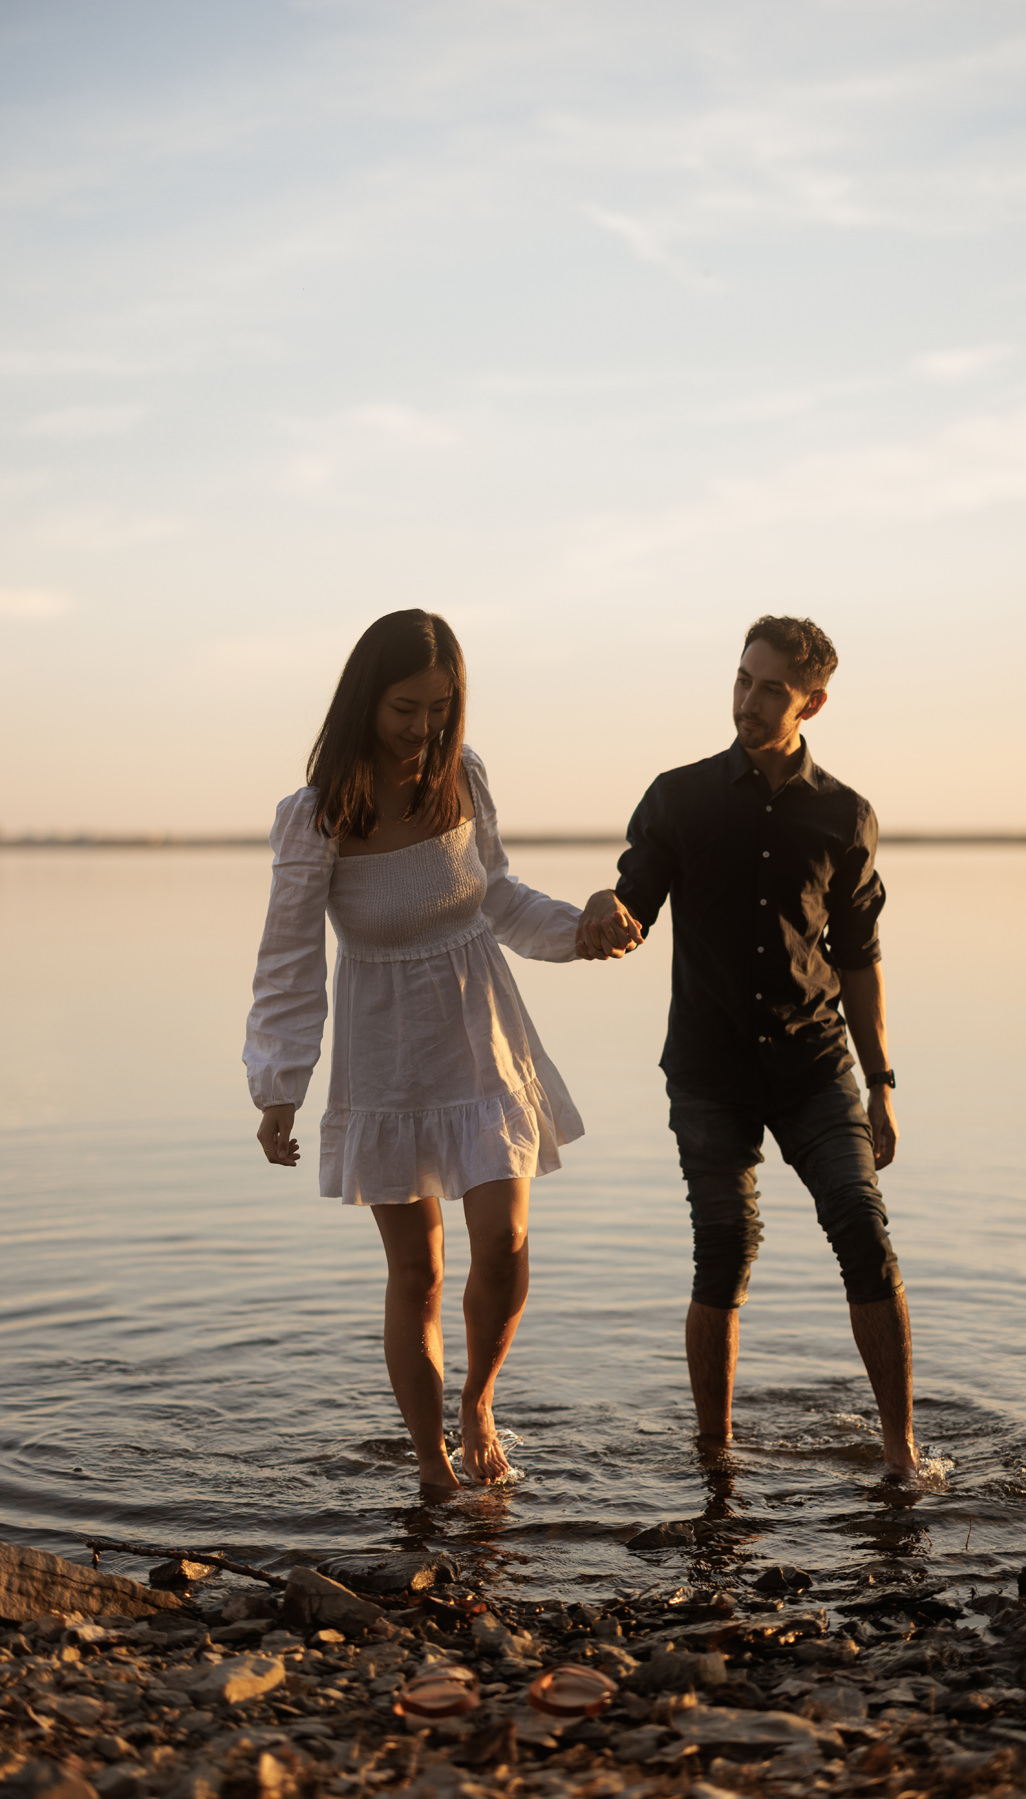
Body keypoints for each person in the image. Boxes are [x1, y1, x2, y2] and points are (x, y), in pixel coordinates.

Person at [244, 610, 623, 1492]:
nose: (423, 729)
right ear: (364, 702)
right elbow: (289, 958)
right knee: (416, 1271)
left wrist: (583, 932)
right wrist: (278, 1085)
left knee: (506, 1242)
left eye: (440, 709)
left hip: (481, 1034)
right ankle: (430, 1466)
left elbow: (498, 895)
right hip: (385, 1054)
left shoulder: (465, 778)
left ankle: (478, 1402)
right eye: (405, 709)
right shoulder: (315, 818)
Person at [578, 616, 920, 1476]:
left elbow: (860, 957)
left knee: (864, 1231)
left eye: (772, 687)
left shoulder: (846, 816)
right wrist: (604, 913)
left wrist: (882, 1082)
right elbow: (633, 912)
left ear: (813, 700)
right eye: (742, 679)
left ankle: (901, 1451)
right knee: (724, 1245)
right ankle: (717, 1455)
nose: (750, 700)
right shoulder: (678, 797)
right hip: (710, 1071)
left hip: (816, 1064)